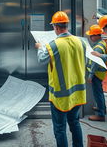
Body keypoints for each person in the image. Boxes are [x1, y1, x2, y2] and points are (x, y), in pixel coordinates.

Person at [35, 11, 86, 147]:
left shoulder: (54, 45)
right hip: (78, 93)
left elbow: (41, 59)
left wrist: (40, 48)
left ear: (56, 27)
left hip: (61, 96)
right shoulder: (80, 41)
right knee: (75, 123)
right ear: (66, 25)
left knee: (59, 128)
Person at [86, 25, 107, 122]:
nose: (90, 38)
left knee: (98, 93)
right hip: (100, 73)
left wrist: (91, 75)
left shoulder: (98, 48)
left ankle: (101, 115)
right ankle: (101, 108)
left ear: (96, 36)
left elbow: (95, 63)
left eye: (91, 36)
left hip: (97, 74)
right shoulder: (101, 43)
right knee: (100, 92)